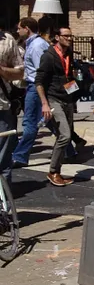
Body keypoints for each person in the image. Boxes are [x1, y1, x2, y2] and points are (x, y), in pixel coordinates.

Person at [35, 27, 77, 187]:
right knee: (65, 135)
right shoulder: (49, 56)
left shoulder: (69, 53)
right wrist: (45, 104)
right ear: (57, 37)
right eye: (66, 36)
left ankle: (56, 171)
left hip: (67, 98)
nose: (69, 38)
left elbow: (68, 76)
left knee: (64, 137)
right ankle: (53, 171)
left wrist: (73, 96)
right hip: (53, 99)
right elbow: (39, 81)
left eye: (70, 36)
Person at [12, 17, 52, 168]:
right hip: (34, 87)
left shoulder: (36, 46)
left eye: (19, 28)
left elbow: (40, 72)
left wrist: (42, 97)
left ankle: (20, 156)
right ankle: (68, 150)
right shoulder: (35, 44)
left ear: (26, 29)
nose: (17, 31)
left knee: (29, 123)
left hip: (35, 88)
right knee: (49, 121)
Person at [0, 20, 24, 183]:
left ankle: (4, 201)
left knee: (3, 157)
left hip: (2, 105)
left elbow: (20, 72)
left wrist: (2, 70)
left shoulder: (7, 40)